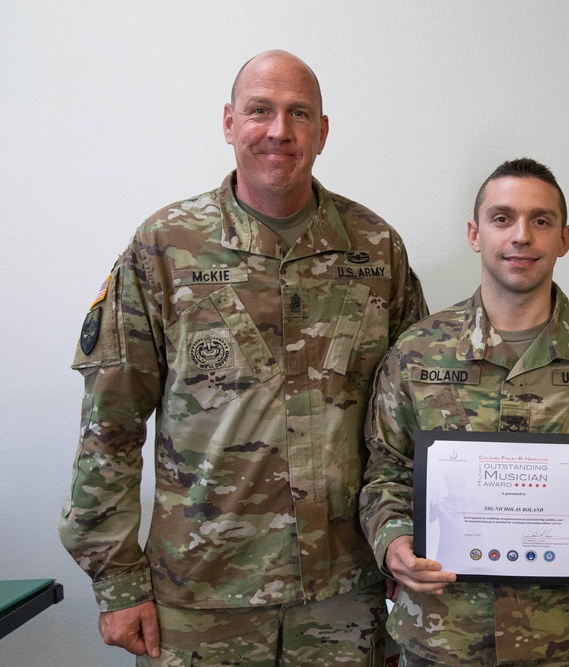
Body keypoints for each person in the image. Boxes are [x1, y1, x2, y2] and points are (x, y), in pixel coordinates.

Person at [58, 50, 427, 666]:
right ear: (229, 122)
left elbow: (414, 425)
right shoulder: (165, 247)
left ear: (322, 131)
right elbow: (110, 427)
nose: (279, 130)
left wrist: (406, 541)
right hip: (203, 592)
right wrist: (117, 580)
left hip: (346, 594)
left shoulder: (376, 248)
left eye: (298, 113)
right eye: (260, 110)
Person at [360, 158, 569, 666]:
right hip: (442, 635)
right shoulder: (416, 353)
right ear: (475, 233)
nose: (521, 236)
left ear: (564, 238)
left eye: (541, 220)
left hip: (563, 639)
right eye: (502, 218)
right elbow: (386, 471)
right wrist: (392, 539)